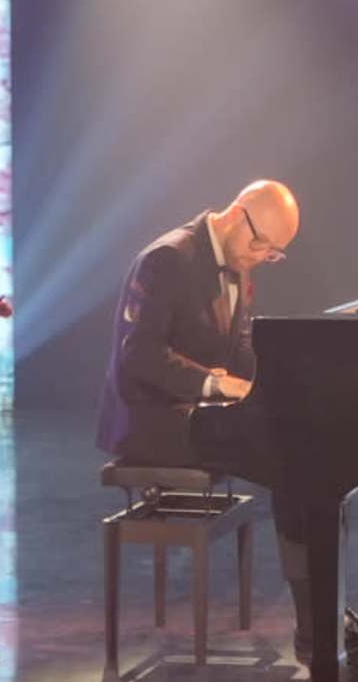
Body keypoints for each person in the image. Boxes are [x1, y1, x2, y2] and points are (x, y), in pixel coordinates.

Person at [97, 179, 300, 470]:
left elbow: (240, 349)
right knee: (286, 451)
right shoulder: (167, 257)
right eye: (259, 243)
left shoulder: (239, 264)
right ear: (236, 215)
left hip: (200, 415)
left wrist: (280, 383)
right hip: (154, 422)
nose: (259, 256)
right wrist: (216, 384)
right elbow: (140, 354)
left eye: (271, 253)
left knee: (292, 433)